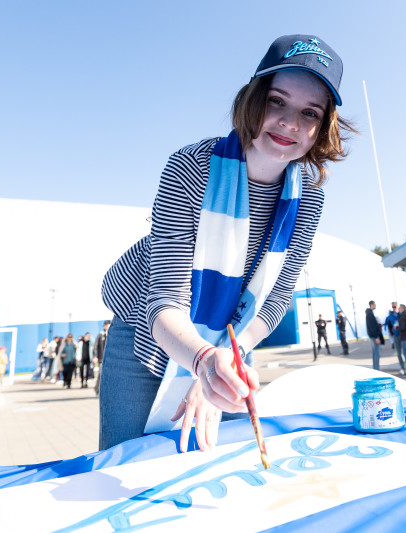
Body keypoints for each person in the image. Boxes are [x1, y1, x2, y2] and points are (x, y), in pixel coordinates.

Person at [99, 34, 354, 453]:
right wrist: (200, 362)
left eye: (309, 112)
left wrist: (222, 364)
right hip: (148, 329)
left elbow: (274, 301)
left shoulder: (309, 195)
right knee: (126, 462)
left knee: (221, 462)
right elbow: (164, 300)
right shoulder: (190, 169)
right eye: (277, 101)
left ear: (321, 127)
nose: (290, 122)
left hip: (230, 342)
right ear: (254, 99)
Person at [384, 302, 406, 374]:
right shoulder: (390, 316)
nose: (394, 307)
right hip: (396, 336)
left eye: (395, 306)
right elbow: (386, 325)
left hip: (403, 335)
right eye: (393, 306)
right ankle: (402, 367)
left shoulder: (401, 314)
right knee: (398, 352)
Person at [93, 320, 110, 395]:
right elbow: (96, 346)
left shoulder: (111, 334)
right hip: (101, 358)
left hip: (110, 358)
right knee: (101, 373)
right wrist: (95, 356)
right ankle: (97, 389)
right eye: (107, 325)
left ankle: (105, 390)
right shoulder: (100, 335)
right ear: (104, 326)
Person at [365, 301, 383, 370]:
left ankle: (376, 368)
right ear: (371, 305)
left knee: (375, 353)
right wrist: (376, 337)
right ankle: (376, 369)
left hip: (373, 336)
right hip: (374, 336)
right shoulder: (369, 314)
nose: (375, 306)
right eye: (374, 304)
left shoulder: (370, 313)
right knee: (376, 353)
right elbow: (372, 326)